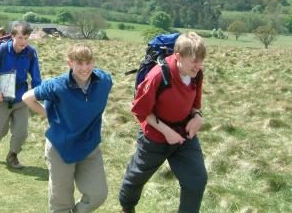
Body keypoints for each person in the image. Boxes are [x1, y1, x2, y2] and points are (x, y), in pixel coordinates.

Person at [118, 32, 207, 213]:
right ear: (178, 56)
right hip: (155, 137)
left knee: (197, 180)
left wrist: (198, 117)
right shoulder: (158, 75)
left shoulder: (197, 74)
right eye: (193, 60)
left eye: (201, 60)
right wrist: (167, 132)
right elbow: (140, 111)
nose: (198, 65)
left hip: (184, 136)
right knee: (135, 179)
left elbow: (195, 106)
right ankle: (127, 207)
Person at [22, 44, 112, 213]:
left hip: (89, 147)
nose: (85, 68)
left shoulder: (104, 81)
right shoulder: (57, 85)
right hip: (60, 148)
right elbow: (27, 97)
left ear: (94, 62)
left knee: (98, 194)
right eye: (79, 63)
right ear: (69, 63)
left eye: (89, 62)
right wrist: (48, 115)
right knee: (61, 203)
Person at [0, 23, 41, 169]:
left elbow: (36, 76)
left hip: (21, 97)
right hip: (1, 97)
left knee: (21, 132)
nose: (23, 41)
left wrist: (37, 93)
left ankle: (12, 155)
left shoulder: (30, 53)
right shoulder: (0, 50)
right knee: (1, 130)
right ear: (13, 36)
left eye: (26, 38)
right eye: (20, 37)